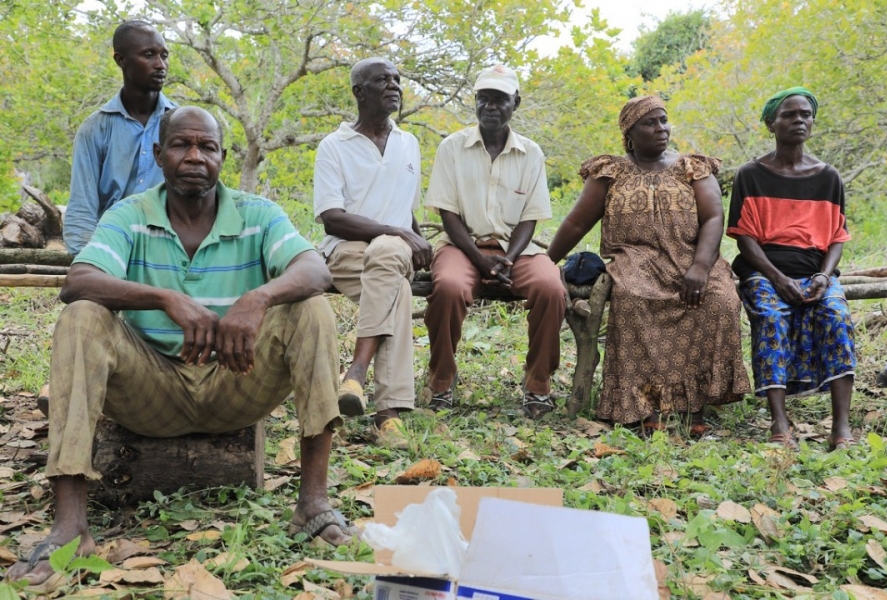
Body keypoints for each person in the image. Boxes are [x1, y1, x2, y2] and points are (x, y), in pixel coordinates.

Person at [6, 106, 355, 586]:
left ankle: (314, 505)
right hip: (151, 392)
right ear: (158, 154)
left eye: (206, 147)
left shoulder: (258, 214)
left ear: (222, 157)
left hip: (238, 383)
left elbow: (316, 270)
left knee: (312, 308)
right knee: (81, 316)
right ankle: (70, 528)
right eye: (181, 145)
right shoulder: (129, 215)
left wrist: (257, 298)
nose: (194, 156)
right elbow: (78, 280)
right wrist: (166, 299)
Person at [547, 95, 750, 434]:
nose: (661, 129)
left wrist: (700, 267)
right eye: (650, 123)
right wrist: (546, 260)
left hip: (692, 257)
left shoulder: (692, 167)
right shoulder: (610, 171)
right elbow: (576, 224)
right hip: (637, 260)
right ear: (630, 133)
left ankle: (695, 406)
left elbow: (714, 217)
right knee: (634, 302)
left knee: (720, 301)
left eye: (664, 121)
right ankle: (646, 404)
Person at [424, 65, 566, 418]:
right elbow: (448, 215)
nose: (490, 106)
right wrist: (479, 258)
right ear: (475, 102)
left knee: (551, 287)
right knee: (449, 287)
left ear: (515, 103)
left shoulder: (531, 153)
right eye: (483, 98)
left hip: (516, 250)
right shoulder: (452, 148)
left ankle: (538, 384)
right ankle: (441, 379)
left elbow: (530, 218)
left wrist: (508, 259)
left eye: (500, 99)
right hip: (462, 244)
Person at [727, 87, 856, 450]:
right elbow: (745, 238)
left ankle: (841, 428)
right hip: (765, 271)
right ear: (772, 124)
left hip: (816, 272)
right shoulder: (751, 174)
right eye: (789, 115)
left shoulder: (828, 176)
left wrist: (823, 276)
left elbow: (837, 237)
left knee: (835, 314)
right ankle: (780, 424)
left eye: (805, 115)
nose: (799, 120)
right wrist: (777, 277)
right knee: (770, 317)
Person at [313, 57, 432, 447]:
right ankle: (388, 414)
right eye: (383, 80)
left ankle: (355, 377)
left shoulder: (408, 143)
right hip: (346, 252)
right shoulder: (334, 146)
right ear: (358, 92)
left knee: (388, 255)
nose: (394, 85)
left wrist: (415, 239)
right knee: (394, 290)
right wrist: (397, 233)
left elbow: (406, 209)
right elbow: (331, 218)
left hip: (396, 253)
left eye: (397, 79)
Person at [64, 19, 177, 256]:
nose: (160, 65)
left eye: (164, 56)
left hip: (169, 252)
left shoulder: (179, 124)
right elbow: (82, 209)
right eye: (149, 55)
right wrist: (89, 262)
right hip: (111, 249)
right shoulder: (96, 129)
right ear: (121, 60)